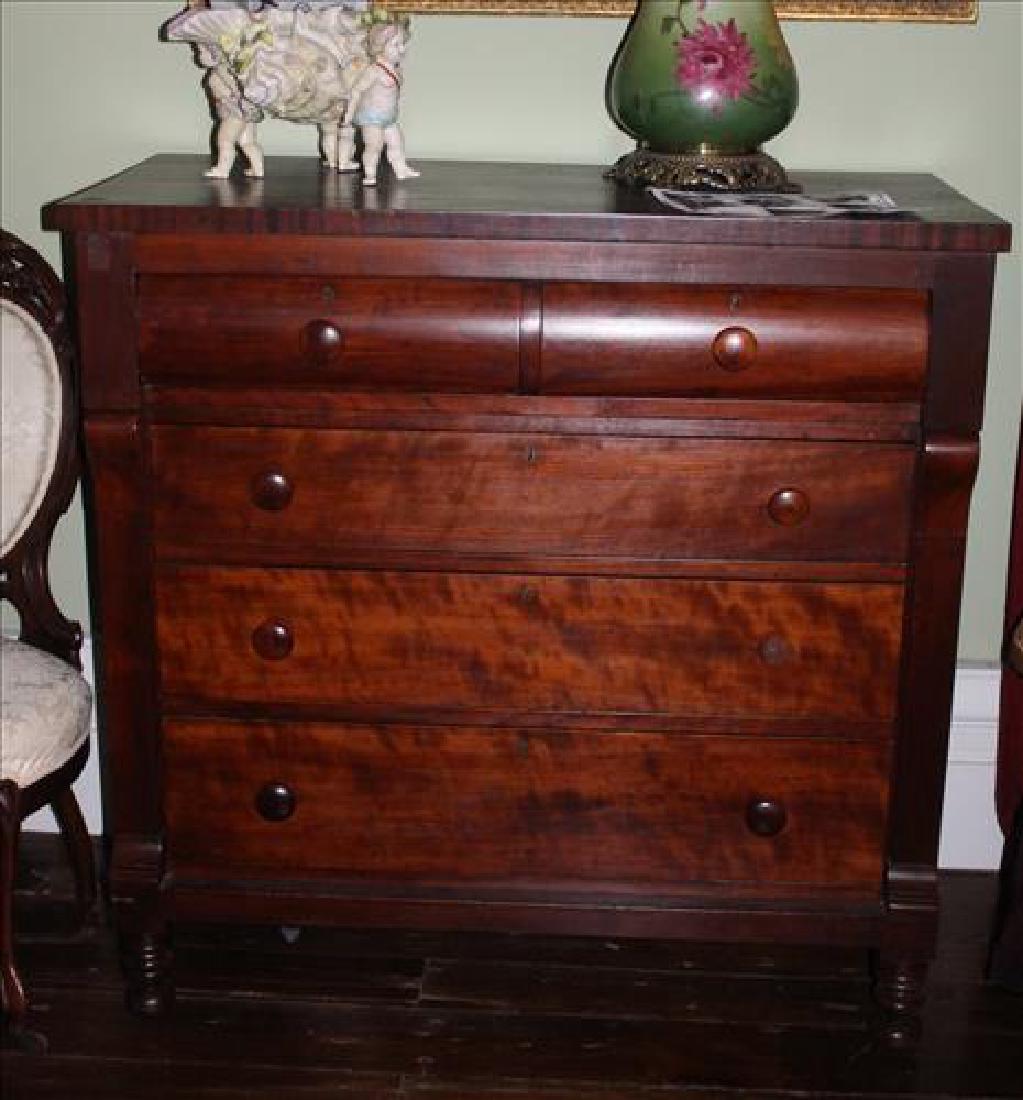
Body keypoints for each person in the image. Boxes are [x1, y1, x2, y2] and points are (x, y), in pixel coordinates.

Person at [342, 23, 419, 186]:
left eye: (403, 44)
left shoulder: (396, 69)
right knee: (374, 146)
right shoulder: (373, 71)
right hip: (372, 118)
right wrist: (348, 115)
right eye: (396, 45)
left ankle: (401, 168)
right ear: (379, 46)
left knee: (397, 143)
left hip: (389, 118)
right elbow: (356, 92)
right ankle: (370, 174)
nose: (402, 49)